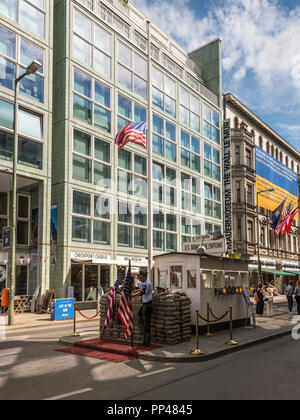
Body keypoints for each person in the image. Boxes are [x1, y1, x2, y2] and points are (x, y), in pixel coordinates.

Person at [131, 271, 153, 347]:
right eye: (138, 277)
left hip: (148, 305)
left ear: (144, 277)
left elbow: (142, 292)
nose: (139, 279)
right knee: (141, 322)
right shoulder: (142, 283)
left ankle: (147, 341)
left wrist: (133, 295)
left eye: (140, 277)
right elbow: (139, 289)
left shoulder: (148, 283)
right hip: (144, 304)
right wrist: (134, 290)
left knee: (146, 324)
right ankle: (145, 338)